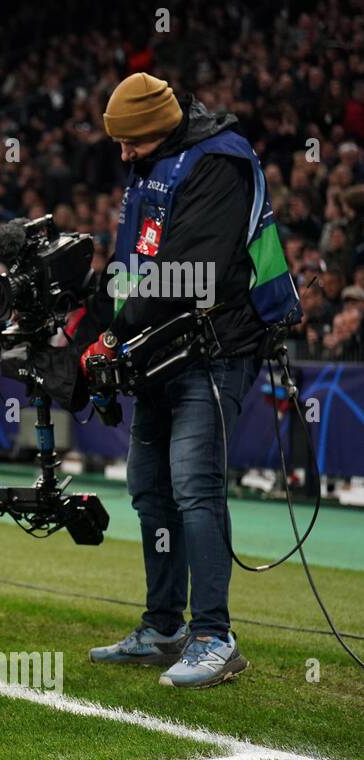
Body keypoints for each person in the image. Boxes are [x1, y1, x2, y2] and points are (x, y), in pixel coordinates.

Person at [83, 74, 299, 687]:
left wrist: (114, 314)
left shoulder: (219, 163)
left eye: (130, 143)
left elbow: (191, 274)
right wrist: (104, 315)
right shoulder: (157, 159)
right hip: (160, 350)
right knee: (149, 487)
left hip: (217, 348)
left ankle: (214, 636)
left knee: (194, 486)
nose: (122, 155)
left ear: (159, 126)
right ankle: (163, 628)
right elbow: (136, 260)